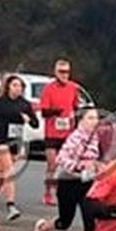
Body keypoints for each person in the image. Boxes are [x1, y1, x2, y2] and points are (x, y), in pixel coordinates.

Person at [31, 107, 103, 231]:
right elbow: (61, 159)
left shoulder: (96, 138)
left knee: (90, 219)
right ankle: (43, 227)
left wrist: (97, 167)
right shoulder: (74, 138)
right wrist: (79, 167)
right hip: (68, 182)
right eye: (90, 118)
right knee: (64, 222)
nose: (95, 121)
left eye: (96, 118)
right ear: (81, 121)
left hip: (87, 183)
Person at [0, 75, 37, 221]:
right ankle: (11, 205)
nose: (17, 89)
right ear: (8, 87)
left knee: (1, 176)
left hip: (15, 143)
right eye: (14, 85)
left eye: (20, 86)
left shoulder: (25, 104)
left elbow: (35, 123)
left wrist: (28, 119)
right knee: (10, 171)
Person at [37, 58, 82, 206]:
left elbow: (76, 107)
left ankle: (63, 192)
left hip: (67, 132)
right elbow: (44, 111)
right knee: (52, 164)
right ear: (55, 72)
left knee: (67, 166)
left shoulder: (73, 88)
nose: (65, 75)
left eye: (67, 72)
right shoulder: (48, 88)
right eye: (61, 72)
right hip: (51, 132)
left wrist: (74, 118)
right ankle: (48, 192)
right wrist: (57, 111)